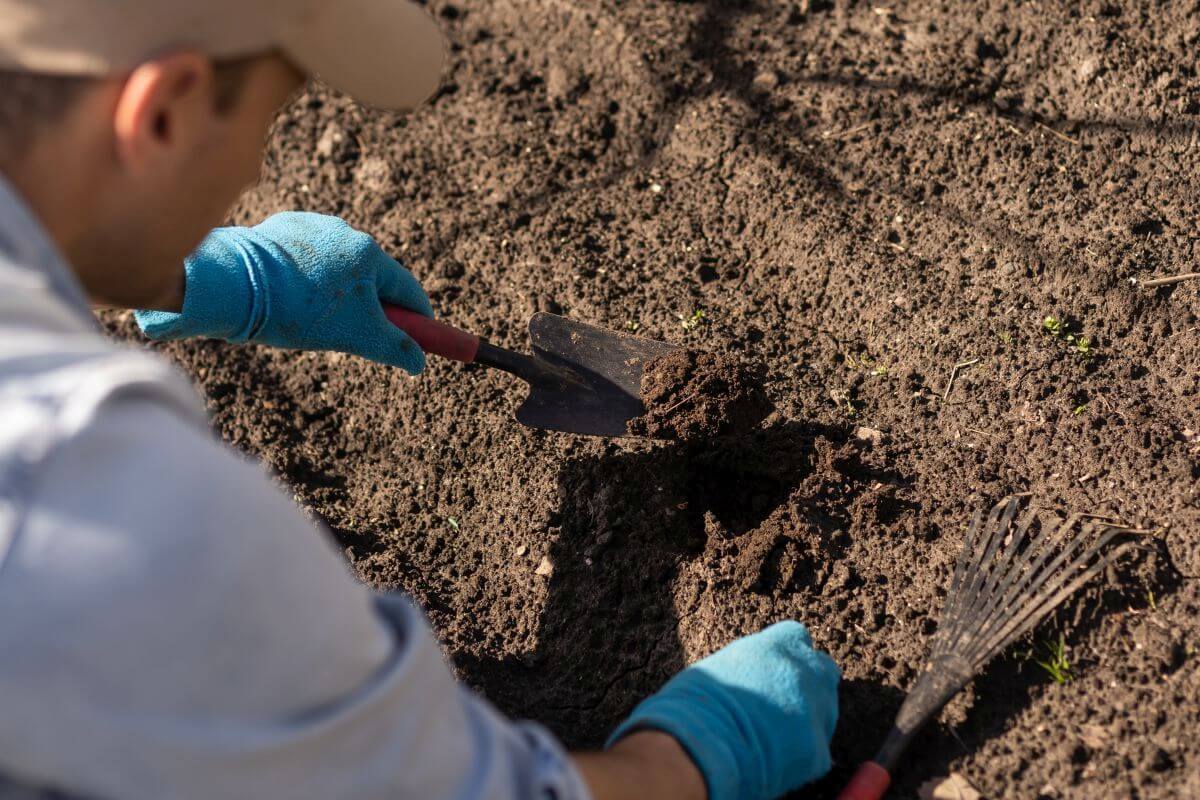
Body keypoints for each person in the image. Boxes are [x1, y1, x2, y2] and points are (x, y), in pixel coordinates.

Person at [0, 1, 841, 798]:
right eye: (264, 125)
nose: (257, 168)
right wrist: (694, 757)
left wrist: (200, 276)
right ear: (162, 113)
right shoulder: (109, 511)